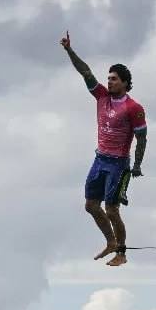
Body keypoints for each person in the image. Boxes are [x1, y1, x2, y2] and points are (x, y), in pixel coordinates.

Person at [60, 30, 146, 267]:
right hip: (99, 160)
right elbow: (85, 72)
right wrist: (69, 51)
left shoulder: (133, 107)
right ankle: (110, 242)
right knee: (90, 206)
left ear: (125, 83)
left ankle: (121, 252)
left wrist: (137, 165)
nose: (109, 82)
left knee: (111, 210)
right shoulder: (101, 96)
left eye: (114, 79)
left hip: (118, 164)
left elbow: (142, 138)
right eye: (108, 78)